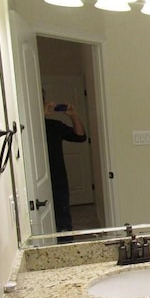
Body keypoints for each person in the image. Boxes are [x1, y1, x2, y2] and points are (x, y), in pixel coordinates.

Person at [43, 97, 87, 232]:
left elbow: (80, 136)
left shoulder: (54, 125)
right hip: (37, 180)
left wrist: (73, 115)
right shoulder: (29, 128)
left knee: (63, 219)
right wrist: (41, 115)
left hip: (58, 177)